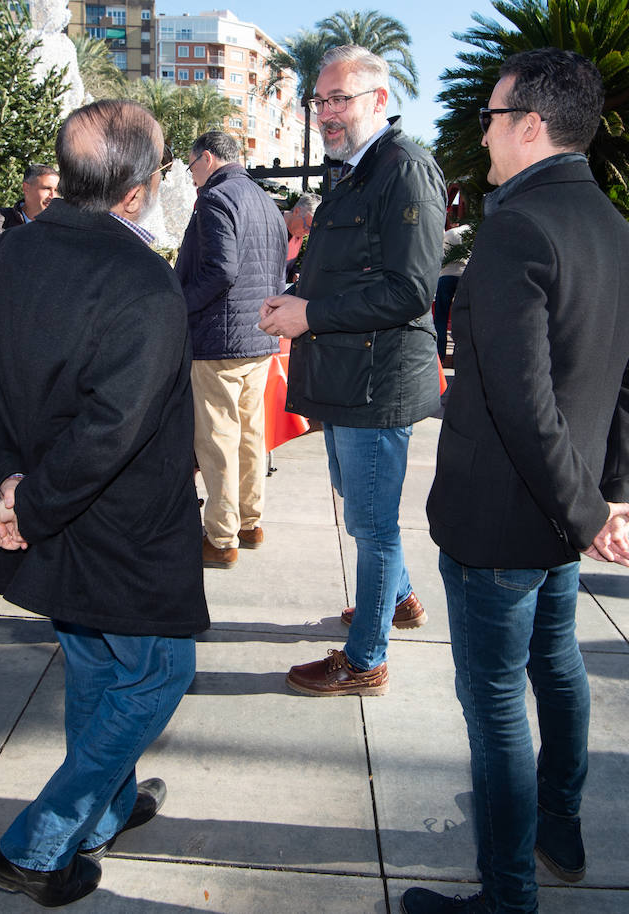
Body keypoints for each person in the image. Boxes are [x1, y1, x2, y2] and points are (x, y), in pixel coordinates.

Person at [412, 49, 629, 914]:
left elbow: (523, 404)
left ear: (529, 124)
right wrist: (612, 497)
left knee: (496, 708)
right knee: (556, 669)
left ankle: (508, 894)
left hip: (505, 523)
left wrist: (593, 511)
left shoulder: (518, 230)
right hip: (561, 517)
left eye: (489, 116)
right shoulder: (624, 237)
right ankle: (558, 826)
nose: (480, 133)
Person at [0, 99, 208, 909]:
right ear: (137, 190)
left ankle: (105, 812)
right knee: (160, 671)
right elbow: (110, 428)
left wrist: (10, 485)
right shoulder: (144, 281)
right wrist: (26, 504)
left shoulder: (5, 255)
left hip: (48, 508)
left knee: (98, 667)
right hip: (118, 524)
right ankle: (39, 843)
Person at [258, 44, 445, 698]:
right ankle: (399, 602)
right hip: (349, 379)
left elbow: (409, 289)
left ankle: (366, 659)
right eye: (321, 100)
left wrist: (309, 313)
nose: (328, 113)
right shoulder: (357, 170)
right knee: (361, 506)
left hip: (377, 385)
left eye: (341, 99)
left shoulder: (405, 170)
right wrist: (299, 299)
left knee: (372, 525)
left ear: (379, 102)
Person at [175, 130, 288, 569]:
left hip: (219, 339)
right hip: (258, 338)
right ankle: (249, 522)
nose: (191, 176)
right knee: (250, 435)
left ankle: (221, 538)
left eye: (191, 166)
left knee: (218, 440)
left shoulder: (216, 199)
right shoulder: (263, 200)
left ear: (206, 158)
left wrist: (176, 306)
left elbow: (220, 270)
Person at [433, 221, 471, 363]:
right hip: (464, 276)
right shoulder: (472, 234)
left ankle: (439, 356)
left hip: (446, 276)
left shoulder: (448, 234)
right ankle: (459, 357)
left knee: (440, 318)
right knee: (462, 317)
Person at [284, 192, 321, 283]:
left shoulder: (297, 235)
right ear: (296, 211)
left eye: (311, 230)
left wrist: (294, 274)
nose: (307, 233)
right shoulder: (272, 226)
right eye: (307, 226)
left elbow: (287, 267)